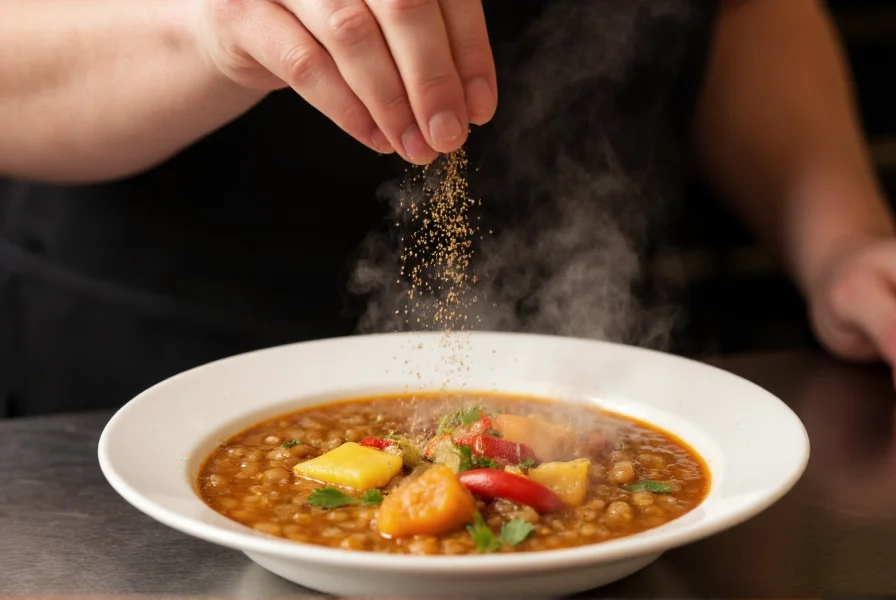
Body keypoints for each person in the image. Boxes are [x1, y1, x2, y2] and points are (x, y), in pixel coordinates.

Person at [0, 0, 893, 417]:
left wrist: (842, 240)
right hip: (129, 380)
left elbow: (735, 12)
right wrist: (203, 30)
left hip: (592, 373)